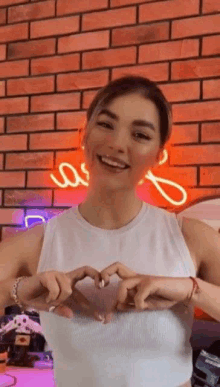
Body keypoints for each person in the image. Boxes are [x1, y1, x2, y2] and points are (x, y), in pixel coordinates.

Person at [2, 75, 205, 387]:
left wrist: (189, 288)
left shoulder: (187, 235)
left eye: (140, 134)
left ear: (158, 154)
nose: (117, 144)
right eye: (106, 124)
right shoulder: (39, 241)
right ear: (84, 134)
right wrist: (18, 289)